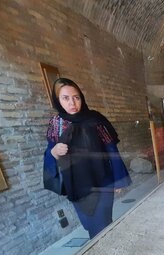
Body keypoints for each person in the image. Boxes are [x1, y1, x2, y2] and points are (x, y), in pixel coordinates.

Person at [43, 78, 131, 239]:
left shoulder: (95, 120)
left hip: (102, 182)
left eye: (76, 97)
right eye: (66, 98)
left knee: (101, 225)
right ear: (57, 100)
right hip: (76, 185)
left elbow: (111, 149)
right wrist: (54, 151)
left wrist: (119, 180)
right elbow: (49, 152)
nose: (72, 103)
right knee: (90, 226)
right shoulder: (56, 123)